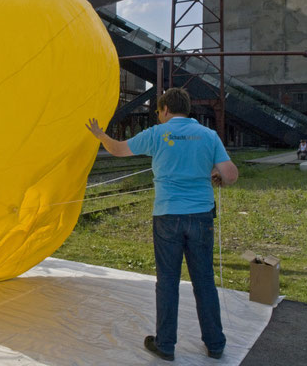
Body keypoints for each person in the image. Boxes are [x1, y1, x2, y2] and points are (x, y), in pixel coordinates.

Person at [86, 88, 238, 362]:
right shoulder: (208, 135)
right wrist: (214, 171)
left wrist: (100, 135)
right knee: (204, 281)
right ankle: (215, 344)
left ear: (166, 109)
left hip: (167, 215)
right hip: (201, 216)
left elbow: (119, 149)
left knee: (168, 282)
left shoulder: (158, 134)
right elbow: (230, 174)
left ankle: (166, 344)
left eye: (158, 111)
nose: (158, 115)